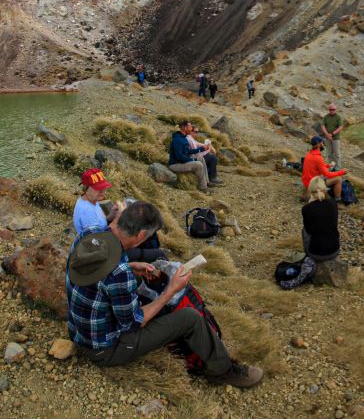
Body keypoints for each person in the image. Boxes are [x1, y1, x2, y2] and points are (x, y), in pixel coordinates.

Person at [66, 201, 263, 388]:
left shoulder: (89, 235)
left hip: (79, 332)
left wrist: (131, 266)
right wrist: (171, 290)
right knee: (190, 318)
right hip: (104, 350)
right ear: (141, 235)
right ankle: (223, 370)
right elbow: (133, 322)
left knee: (143, 290)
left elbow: (102, 276)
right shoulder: (120, 274)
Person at [168, 120, 218, 192]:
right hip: (175, 165)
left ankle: (207, 182)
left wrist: (201, 149)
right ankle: (203, 187)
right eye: (190, 127)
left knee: (200, 158)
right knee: (198, 164)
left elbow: (187, 152)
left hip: (181, 162)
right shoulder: (178, 140)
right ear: (185, 128)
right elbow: (180, 157)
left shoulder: (183, 137)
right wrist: (193, 160)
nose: (191, 128)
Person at [301, 176, 340, 262]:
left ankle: (308, 255)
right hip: (335, 250)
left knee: (304, 230)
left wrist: (310, 204)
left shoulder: (306, 208)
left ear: (310, 190)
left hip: (316, 254)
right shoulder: (333, 204)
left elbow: (309, 230)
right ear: (325, 189)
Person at [73, 169, 121, 236]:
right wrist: (116, 219)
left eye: (103, 187)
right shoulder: (87, 212)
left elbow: (100, 222)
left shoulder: (92, 200)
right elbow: (98, 240)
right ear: (86, 188)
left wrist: (112, 215)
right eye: (98, 188)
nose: (102, 191)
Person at [302, 136, 347, 202]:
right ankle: (338, 201)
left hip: (307, 181)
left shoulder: (309, 154)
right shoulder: (318, 158)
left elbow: (317, 166)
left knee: (327, 176)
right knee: (338, 179)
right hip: (313, 183)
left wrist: (328, 165)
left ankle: (310, 193)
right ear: (318, 144)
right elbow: (327, 174)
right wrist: (342, 172)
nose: (323, 144)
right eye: (322, 143)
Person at [320, 103, 344, 168]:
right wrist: (327, 134)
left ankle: (338, 167)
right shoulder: (326, 117)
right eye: (330, 109)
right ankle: (331, 166)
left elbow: (340, 127)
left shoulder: (338, 117)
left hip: (335, 138)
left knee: (337, 153)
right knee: (329, 153)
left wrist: (332, 134)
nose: (332, 111)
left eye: (333, 109)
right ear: (328, 109)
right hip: (327, 138)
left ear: (335, 110)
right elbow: (323, 126)